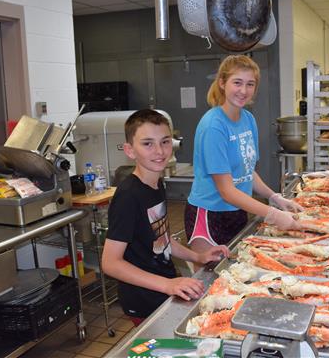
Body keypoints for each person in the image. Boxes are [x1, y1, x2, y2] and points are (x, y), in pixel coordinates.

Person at [102, 109, 229, 324]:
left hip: (163, 289)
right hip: (144, 298)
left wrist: (197, 257)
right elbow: (110, 263)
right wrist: (167, 285)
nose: (159, 151)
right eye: (148, 143)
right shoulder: (128, 196)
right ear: (130, 150)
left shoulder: (156, 183)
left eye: (165, 141)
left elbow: (161, 238)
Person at [184, 55, 303, 261]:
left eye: (250, 84)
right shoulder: (214, 126)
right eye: (237, 82)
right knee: (211, 279)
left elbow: (247, 172)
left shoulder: (248, 119)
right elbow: (227, 191)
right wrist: (273, 215)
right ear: (222, 83)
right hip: (210, 214)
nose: (243, 90)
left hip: (238, 210)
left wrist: (274, 197)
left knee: (238, 267)